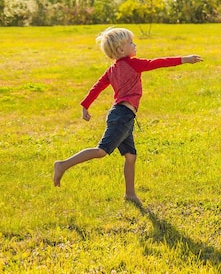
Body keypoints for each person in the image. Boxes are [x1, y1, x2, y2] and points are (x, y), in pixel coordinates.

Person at [54, 27, 203, 203]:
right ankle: (62, 165)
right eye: (131, 43)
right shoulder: (133, 63)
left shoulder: (111, 70)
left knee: (130, 156)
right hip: (122, 116)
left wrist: (85, 105)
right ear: (121, 50)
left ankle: (130, 194)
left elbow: (97, 87)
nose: (135, 45)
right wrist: (185, 59)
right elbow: (159, 62)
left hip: (122, 115)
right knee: (101, 151)